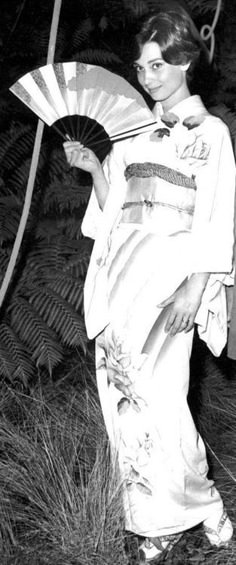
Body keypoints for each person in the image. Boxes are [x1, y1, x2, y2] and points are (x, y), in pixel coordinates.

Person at [64, 3, 236, 562]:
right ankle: (151, 520)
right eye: (141, 67)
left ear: (185, 60)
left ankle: (204, 503)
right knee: (124, 401)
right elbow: (113, 215)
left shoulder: (210, 135)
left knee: (163, 402)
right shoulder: (136, 136)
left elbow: (217, 217)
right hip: (121, 281)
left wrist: (196, 286)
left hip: (170, 285)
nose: (147, 77)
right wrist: (94, 170)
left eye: (157, 65)